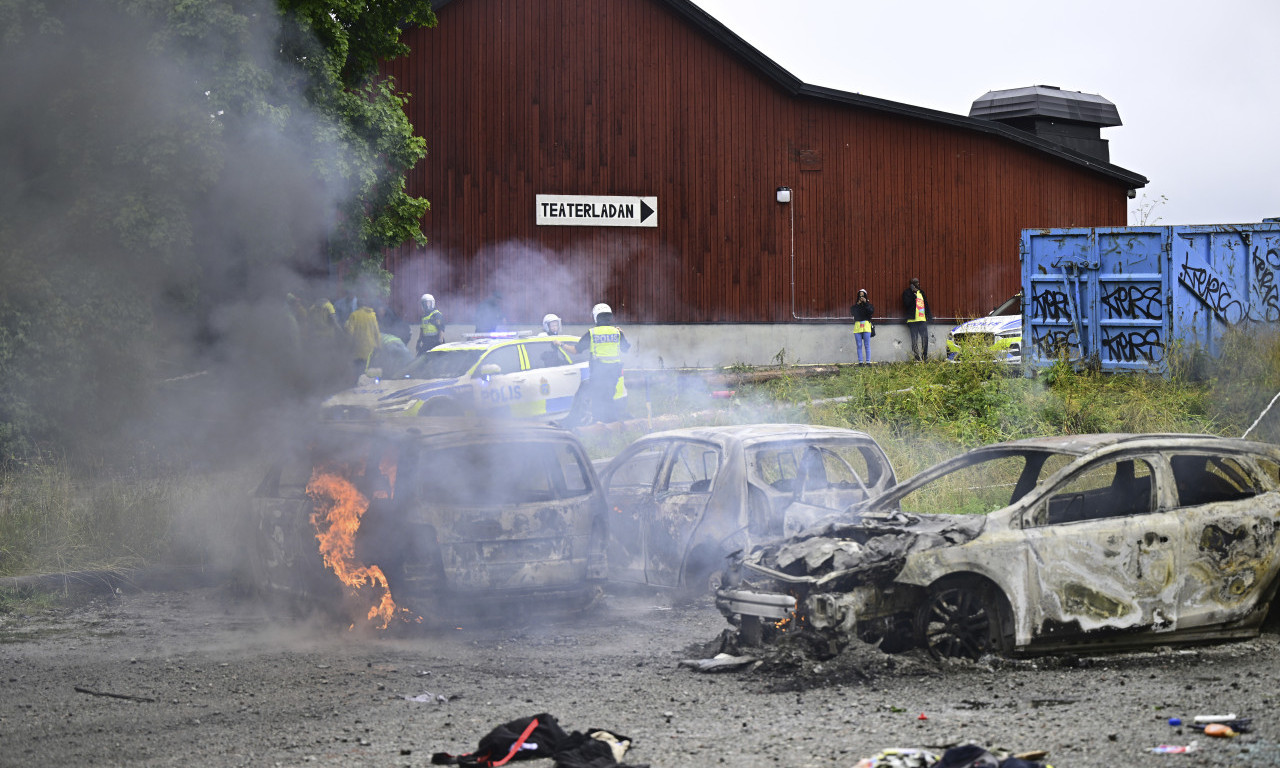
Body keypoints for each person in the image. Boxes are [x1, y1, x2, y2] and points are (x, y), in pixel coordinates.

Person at [561, 303, 630, 425]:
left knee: (598, 398)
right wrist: (621, 334)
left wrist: (561, 344)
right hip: (613, 373)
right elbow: (626, 349)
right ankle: (611, 423)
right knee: (609, 396)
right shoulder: (617, 332)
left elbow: (575, 350)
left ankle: (600, 423)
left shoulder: (592, 333)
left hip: (599, 371)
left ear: (596, 317)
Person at [344, 293, 382, 381]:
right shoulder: (372, 315)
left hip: (358, 350)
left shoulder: (354, 315)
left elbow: (350, 332)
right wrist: (379, 346)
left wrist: (348, 346)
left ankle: (359, 386)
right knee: (370, 372)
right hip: (371, 349)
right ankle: (372, 387)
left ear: (357, 305)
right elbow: (377, 332)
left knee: (359, 372)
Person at [901, 277, 933, 361]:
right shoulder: (907, 293)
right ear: (911, 284)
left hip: (922, 319)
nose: (918, 284)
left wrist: (929, 316)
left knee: (925, 338)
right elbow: (907, 304)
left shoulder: (921, 292)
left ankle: (924, 356)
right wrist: (913, 294)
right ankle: (917, 357)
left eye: (918, 282)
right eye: (916, 282)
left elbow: (926, 305)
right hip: (912, 320)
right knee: (914, 339)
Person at [850, 288, 875, 364]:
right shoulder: (855, 306)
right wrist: (858, 304)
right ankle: (860, 362)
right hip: (858, 326)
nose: (861, 297)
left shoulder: (869, 305)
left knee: (867, 345)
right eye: (860, 296)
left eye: (863, 296)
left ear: (865, 296)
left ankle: (868, 362)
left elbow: (871, 311)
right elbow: (852, 312)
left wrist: (866, 303)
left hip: (866, 326)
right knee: (859, 345)